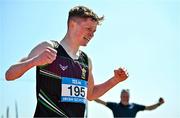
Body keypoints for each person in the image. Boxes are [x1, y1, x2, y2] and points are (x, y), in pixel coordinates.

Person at [5, 6, 129, 117]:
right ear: (72, 24)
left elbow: (90, 95)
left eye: (94, 31)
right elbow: (9, 75)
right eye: (88, 29)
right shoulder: (49, 47)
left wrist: (115, 80)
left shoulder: (86, 61)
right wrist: (34, 61)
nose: (92, 34)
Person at [95, 89, 165, 118]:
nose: (125, 97)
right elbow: (101, 102)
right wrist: (89, 95)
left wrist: (158, 104)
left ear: (129, 97)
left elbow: (149, 108)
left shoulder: (134, 106)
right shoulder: (114, 106)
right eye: (124, 96)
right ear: (120, 96)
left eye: (127, 96)